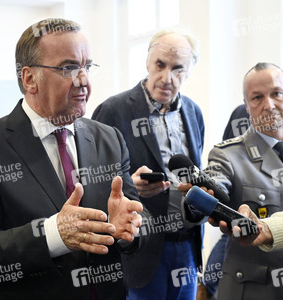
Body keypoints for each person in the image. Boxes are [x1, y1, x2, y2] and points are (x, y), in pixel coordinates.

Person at [0, 18, 145, 300]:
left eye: (87, 66)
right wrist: (53, 234)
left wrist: (129, 226)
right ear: (30, 79)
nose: (83, 81)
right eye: (68, 68)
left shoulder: (109, 138)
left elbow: (136, 215)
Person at [92, 29, 204, 299]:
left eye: (178, 69)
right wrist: (129, 187)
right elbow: (93, 184)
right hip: (141, 250)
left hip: (186, 245)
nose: (167, 78)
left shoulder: (193, 112)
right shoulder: (112, 110)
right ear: (147, 62)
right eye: (160, 65)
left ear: (189, 71)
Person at [200, 62, 283, 299]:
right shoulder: (228, 155)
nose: (269, 105)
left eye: (276, 93)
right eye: (257, 98)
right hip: (256, 290)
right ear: (246, 105)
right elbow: (215, 180)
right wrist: (208, 190)